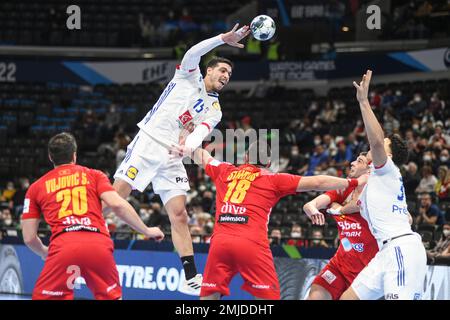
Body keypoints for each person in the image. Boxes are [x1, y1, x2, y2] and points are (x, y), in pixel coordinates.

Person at [112, 24, 250, 293]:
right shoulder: (188, 76)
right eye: (222, 70)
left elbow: (201, 131)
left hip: (173, 155)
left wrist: (188, 147)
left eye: (229, 74)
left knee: (180, 215)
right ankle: (78, 225)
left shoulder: (215, 109)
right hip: (150, 142)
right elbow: (194, 52)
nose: (226, 76)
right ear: (208, 70)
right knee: (116, 197)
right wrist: (223, 39)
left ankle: (190, 275)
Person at [169, 141, 367, 300]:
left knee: (209, 296)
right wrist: (354, 182)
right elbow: (317, 182)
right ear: (269, 163)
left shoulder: (225, 170)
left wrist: (185, 148)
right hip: (251, 244)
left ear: (245, 158)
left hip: (220, 242)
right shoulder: (273, 179)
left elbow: (204, 156)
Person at [21, 132, 164, 300]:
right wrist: (146, 230)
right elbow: (117, 204)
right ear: (74, 155)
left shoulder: (36, 188)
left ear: (50, 157)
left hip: (64, 246)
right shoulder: (95, 175)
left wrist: (44, 252)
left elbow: (29, 237)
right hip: (98, 244)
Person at [340, 70, 427, 300]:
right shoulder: (379, 180)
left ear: (388, 156)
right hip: (385, 251)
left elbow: (376, 141)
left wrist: (363, 101)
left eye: (384, 146)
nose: (377, 146)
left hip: (400, 250)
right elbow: (406, 218)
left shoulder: (386, 168)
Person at [303, 152, 379, 300]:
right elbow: (309, 205)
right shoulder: (344, 189)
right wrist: (313, 210)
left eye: (359, 161)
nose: (352, 163)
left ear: (369, 170)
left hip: (366, 272)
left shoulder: (377, 193)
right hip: (339, 265)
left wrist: (340, 208)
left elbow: (407, 218)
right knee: (316, 294)